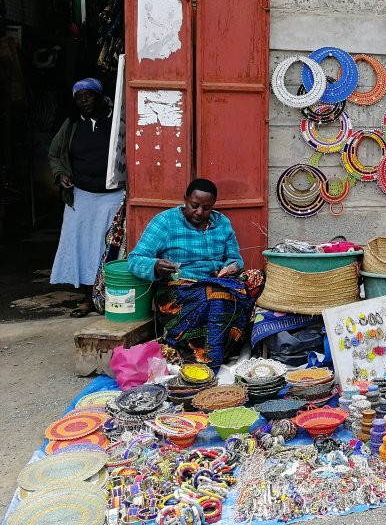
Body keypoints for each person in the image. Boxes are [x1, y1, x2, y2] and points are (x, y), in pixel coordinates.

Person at [128, 178, 263, 368]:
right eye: (194, 205)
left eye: (206, 208)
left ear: (213, 205)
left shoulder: (222, 223)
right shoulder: (165, 222)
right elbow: (134, 259)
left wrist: (230, 268)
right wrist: (156, 265)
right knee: (216, 296)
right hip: (179, 289)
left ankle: (229, 344)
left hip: (217, 282)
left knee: (257, 278)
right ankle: (207, 357)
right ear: (185, 200)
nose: (200, 212)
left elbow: (235, 258)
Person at [48, 78, 125, 317]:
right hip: (81, 195)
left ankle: (111, 296)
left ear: (100, 96)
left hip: (112, 195)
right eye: (79, 97)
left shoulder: (116, 121)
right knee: (81, 245)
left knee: (110, 245)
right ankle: (87, 298)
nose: (84, 101)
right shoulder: (71, 125)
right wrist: (61, 174)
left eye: (88, 95)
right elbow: (55, 154)